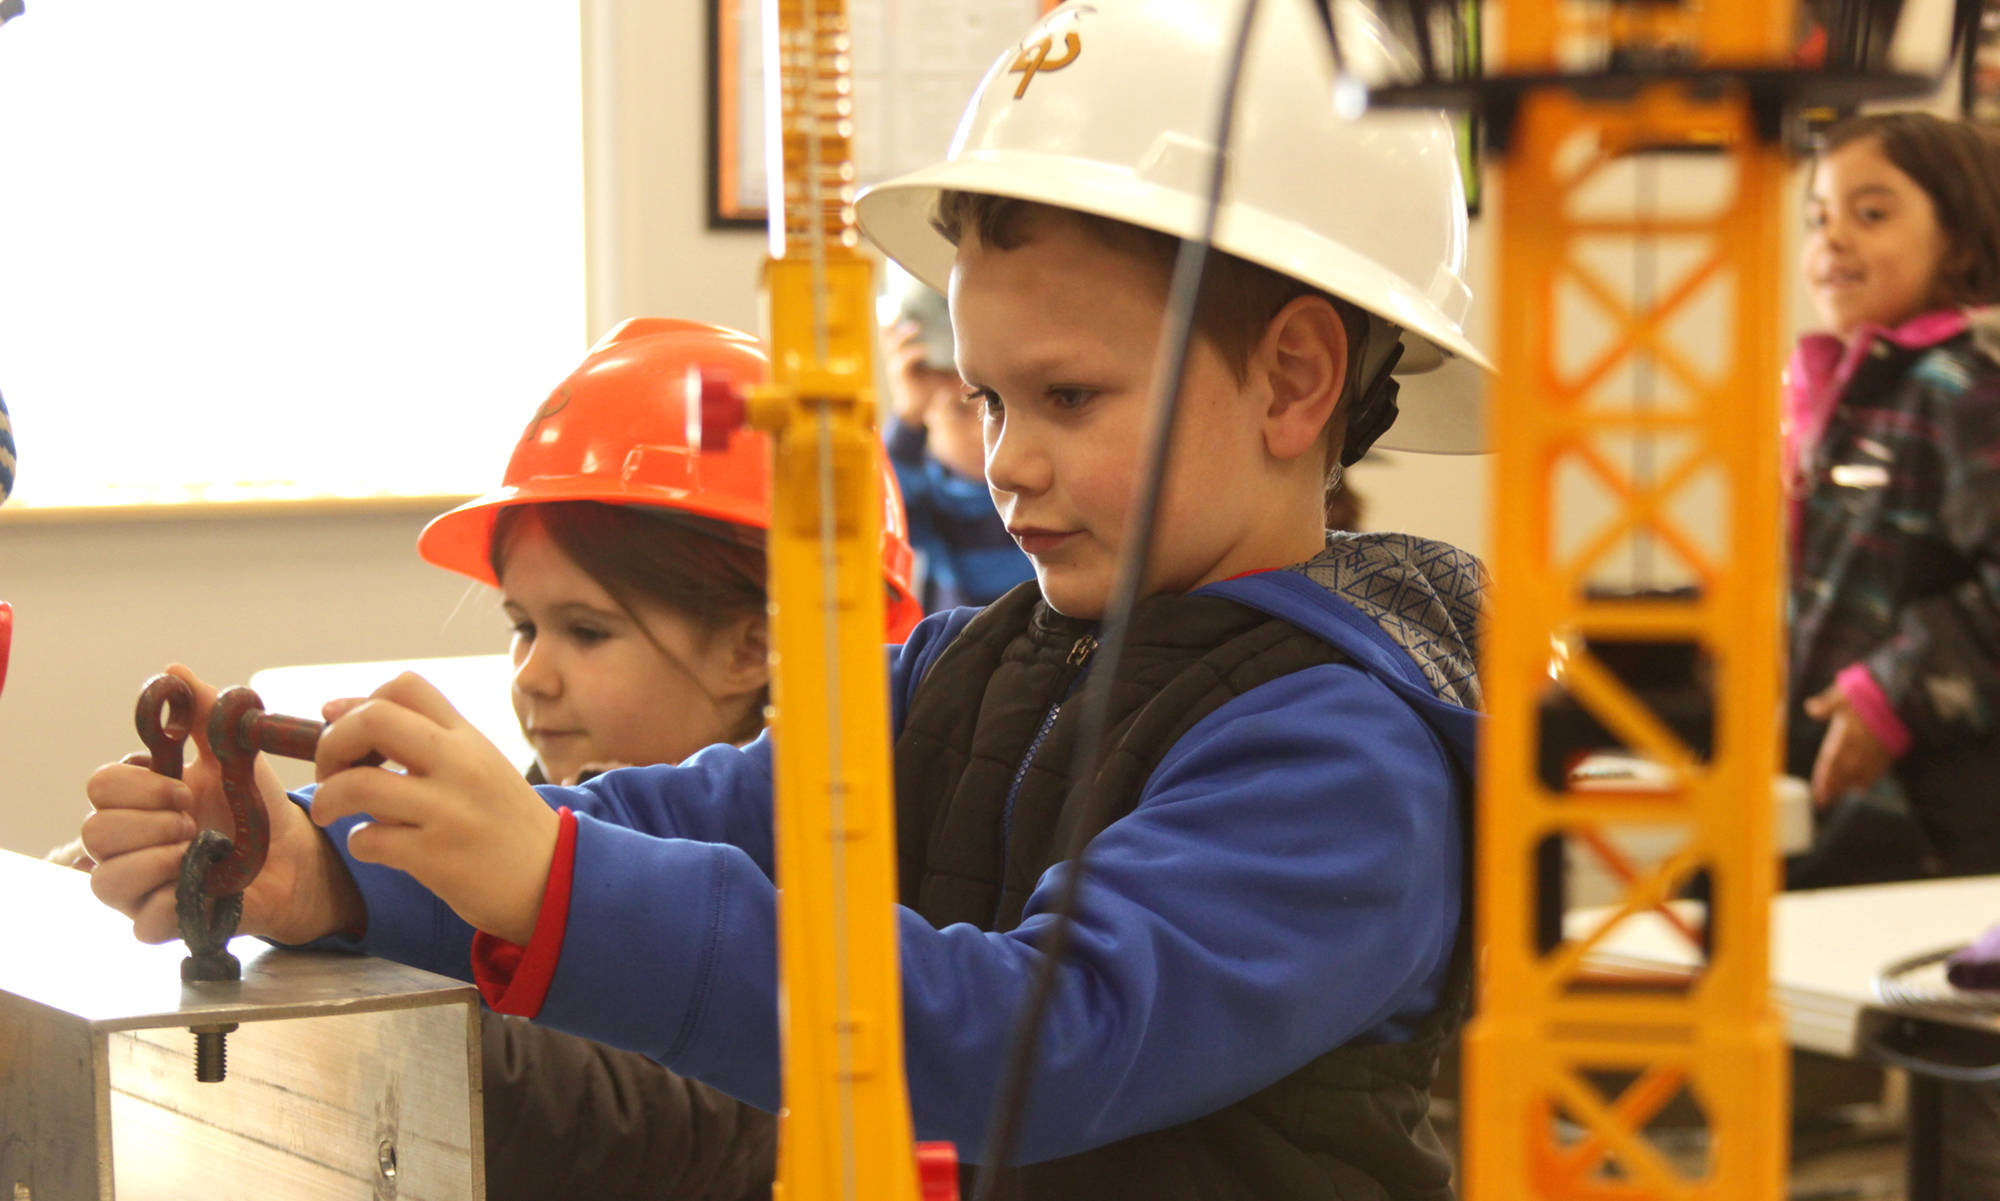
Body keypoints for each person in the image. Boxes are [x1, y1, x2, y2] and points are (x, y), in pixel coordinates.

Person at [80, 4, 1488, 1197]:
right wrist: (334, 866)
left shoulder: (1346, 760)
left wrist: (548, 881)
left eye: (1071, 396)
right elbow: (701, 812)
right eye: (993, 397)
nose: (1006, 458)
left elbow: (1018, 1039)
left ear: (1296, 382)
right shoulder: (976, 666)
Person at [1782, 110, 2000, 1198]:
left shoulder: (1965, 384)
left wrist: (1886, 691)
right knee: (1913, 1058)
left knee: (1973, 1084)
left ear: (1959, 239)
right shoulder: (1838, 387)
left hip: (1960, 806)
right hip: (1868, 805)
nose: (1832, 241)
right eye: (1819, 216)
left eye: (1872, 213)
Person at [878, 261, 1035, 609]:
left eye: (997, 405)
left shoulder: (1034, 489)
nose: (985, 432)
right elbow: (878, 517)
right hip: (959, 657)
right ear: (929, 430)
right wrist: (908, 414)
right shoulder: (933, 494)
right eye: (964, 409)